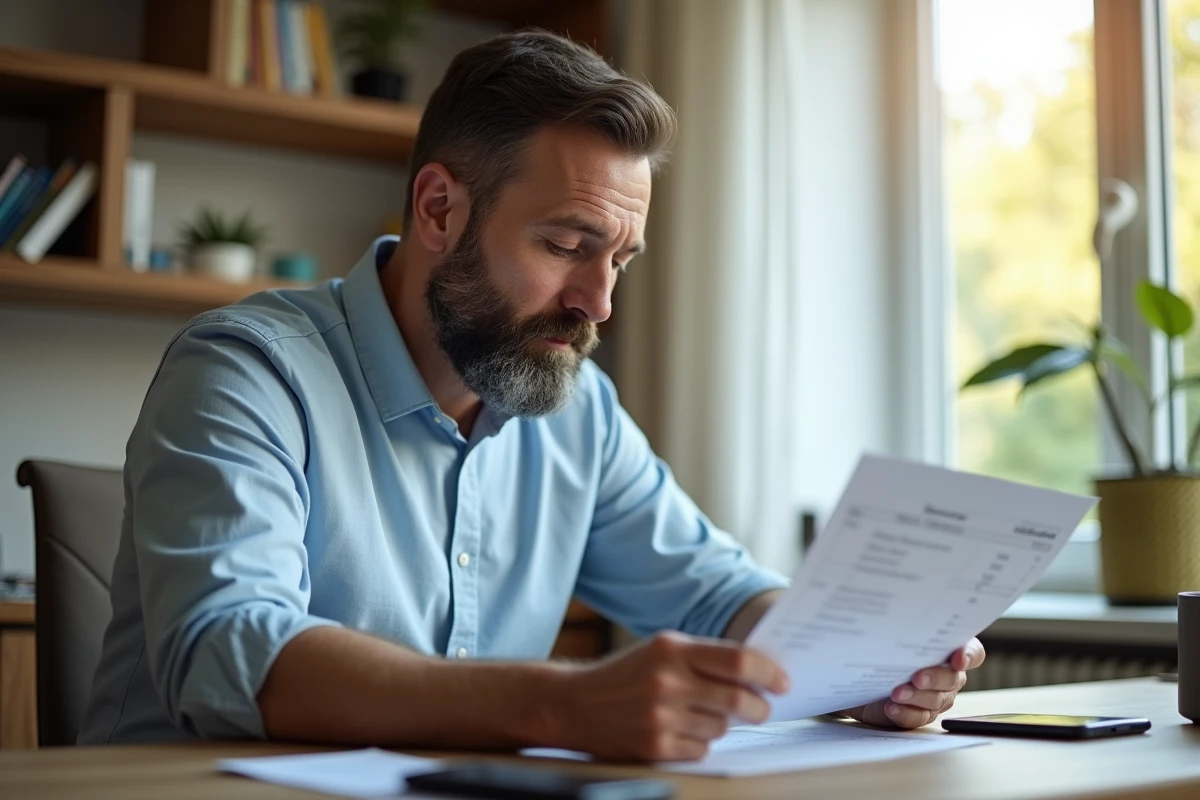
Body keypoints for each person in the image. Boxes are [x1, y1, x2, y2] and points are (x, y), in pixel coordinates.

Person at [78, 31, 984, 760]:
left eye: (618, 258)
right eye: (565, 246)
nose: (600, 302)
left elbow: (718, 596)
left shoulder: (574, 406)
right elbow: (232, 651)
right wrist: (560, 704)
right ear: (438, 210)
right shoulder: (246, 371)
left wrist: (868, 659)